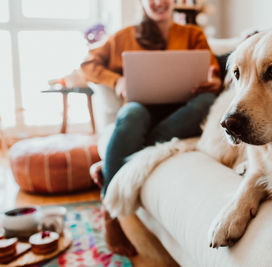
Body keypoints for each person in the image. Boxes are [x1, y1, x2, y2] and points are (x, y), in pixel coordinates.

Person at [80, 0, 221, 256]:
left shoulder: (193, 35)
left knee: (207, 101)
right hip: (140, 110)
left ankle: (121, 156)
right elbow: (87, 66)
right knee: (132, 113)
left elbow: (213, 74)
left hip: (180, 114)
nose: (159, 2)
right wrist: (117, 79)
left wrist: (211, 82)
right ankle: (110, 213)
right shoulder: (124, 37)